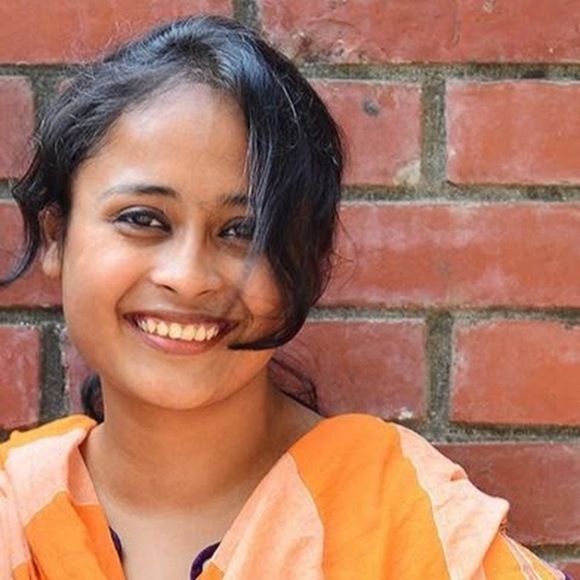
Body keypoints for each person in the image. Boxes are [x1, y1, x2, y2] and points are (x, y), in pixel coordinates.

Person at [0, 14, 570, 580]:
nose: (189, 277)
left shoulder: (402, 519)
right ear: (56, 237)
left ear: (307, 264)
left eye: (243, 231)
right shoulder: (14, 513)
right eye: (143, 219)